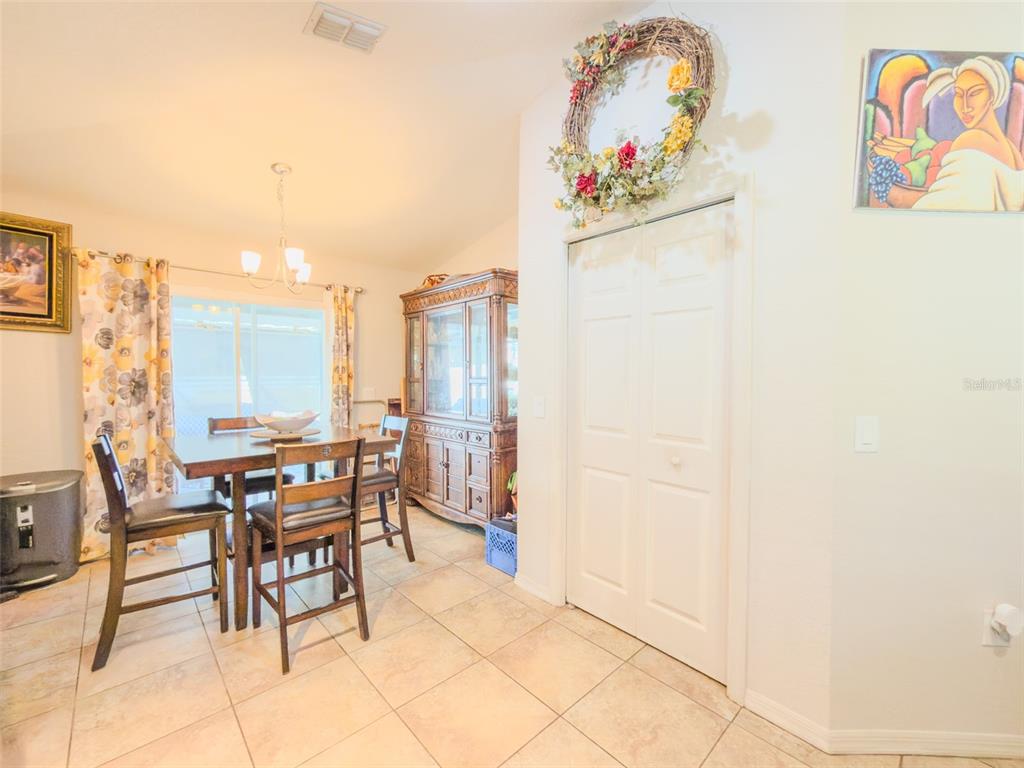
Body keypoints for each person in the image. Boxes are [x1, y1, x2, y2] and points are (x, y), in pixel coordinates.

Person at [912, 56, 1023, 211]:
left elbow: (942, 207)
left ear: (992, 95)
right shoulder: (1014, 152)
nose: (965, 106)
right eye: (958, 94)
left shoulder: (970, 141)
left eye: (974, 93)